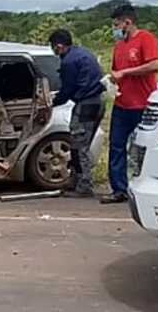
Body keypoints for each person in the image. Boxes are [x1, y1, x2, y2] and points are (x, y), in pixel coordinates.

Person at [101, 4, 158, 204]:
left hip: (143, 104)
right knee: (116, 146)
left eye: (117, 24)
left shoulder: (146, 39)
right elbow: (117, 72)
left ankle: (149, 186)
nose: (116, 29)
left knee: (145, 148)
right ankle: (119, 189)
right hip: (122, 104)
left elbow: (154, 65)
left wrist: (126, 73)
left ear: (128, 22)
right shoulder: (119, 47)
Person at [49, 29, 105, 198]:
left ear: (59, 46)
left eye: (54, 47)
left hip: (85, 104)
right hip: (98, 102)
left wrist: (53, 103)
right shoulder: (84, 53)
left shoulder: (69, 61)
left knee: (79, 145)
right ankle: (77, 180)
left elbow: (68, 89)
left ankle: (84, 185)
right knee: (80, 143)